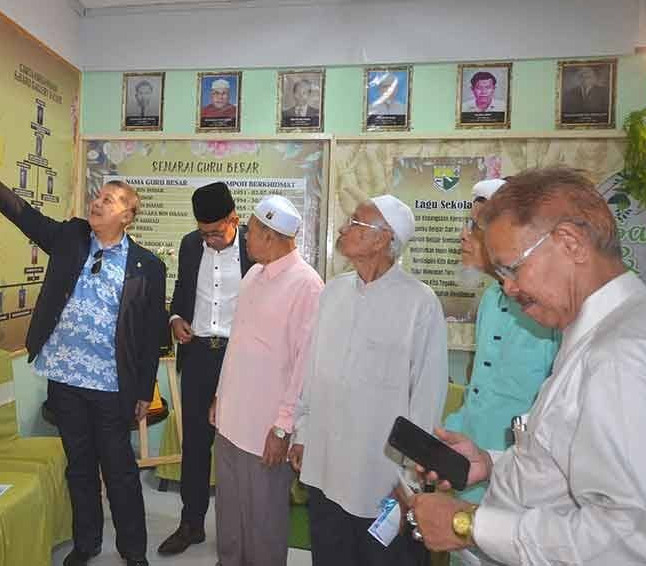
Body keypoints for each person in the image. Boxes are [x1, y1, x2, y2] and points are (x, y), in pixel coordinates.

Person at [410, 167, 646, 565]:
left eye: (512, 268)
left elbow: (635, 540)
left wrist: (469, 524)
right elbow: (570, 463)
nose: (508, 287)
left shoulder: (619, 358)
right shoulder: (597, 332)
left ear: (570, 243)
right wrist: (490, 462)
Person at [0, 143, 167, 566]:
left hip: (112, 386)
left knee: (119, 472)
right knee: (79, 467)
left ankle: (133, 552)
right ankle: (86, 544)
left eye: (110, 200)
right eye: (98, 196)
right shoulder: (71, 237)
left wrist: (144, 389)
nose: (98, 202)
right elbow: (25, 215)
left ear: (127, 216)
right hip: (65, 378)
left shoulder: (147, 266)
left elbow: (151, 335)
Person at [291, 195, 446, 566]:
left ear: (382, 238)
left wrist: (410, 475)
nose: (344, 229)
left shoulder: (419, 303)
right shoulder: (334, 292)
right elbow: (314, 372)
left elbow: (427, 395)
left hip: (381, 470)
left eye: (355, 223)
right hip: (326, 461)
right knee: (329, 552)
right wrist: (302, 433)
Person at [444, 178, 560, 566]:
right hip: (473, 476)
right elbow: (480, 388)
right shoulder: (491, 298)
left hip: (528, 495)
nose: (465, 235)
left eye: (476, 226)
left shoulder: (552, 309)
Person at [212, 195, 323, 566]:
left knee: (263, 527)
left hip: (264, 432)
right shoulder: (253, 275)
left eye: (252, 231)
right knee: (229, 519)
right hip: (229, 424)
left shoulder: (307, 285)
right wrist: (219, 397)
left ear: (272, 236)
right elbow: (237, 346)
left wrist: (282, 429)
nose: (245, 237)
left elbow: (304, 366)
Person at [157, 182, 255, 556]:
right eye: (204, 233)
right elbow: (184, 288)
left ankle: (239, 532)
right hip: (198, 355)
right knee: (195, 445)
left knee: (237, 448)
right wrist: (176, 318)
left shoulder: (254, 247)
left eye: (216, 232)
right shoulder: (188, 244)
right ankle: (191, 525)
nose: (210, 240)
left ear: (234, 218)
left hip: (239, 357)